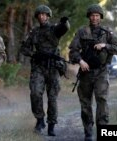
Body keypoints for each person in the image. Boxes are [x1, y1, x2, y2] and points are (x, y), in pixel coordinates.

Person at [68, 4, 117, 141]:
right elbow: (73, 51)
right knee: (85, 103)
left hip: (101, 71)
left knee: (102, 100)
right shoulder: (82, 32)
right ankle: (88, 132)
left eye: (97, 15)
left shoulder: (107, 32)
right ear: (89, 17)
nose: (94, 18)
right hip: (86, 71)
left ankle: (103, 130)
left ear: (101, 17)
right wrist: (80, 61)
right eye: (92, 15)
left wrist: (105, 45)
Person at [20, 5, 70, 136]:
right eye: (39, 15)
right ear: (37, 17)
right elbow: (24, 49)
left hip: (53, 67)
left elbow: (64, 28)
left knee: (52, 98)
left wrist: (65, 22)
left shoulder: (54, 30)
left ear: (48, 16)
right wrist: (34, 54)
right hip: (38, 68)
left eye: (44, 14)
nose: (42, 17)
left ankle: (51, 124)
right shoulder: (34, 32)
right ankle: (40, 119)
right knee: (35, 93)